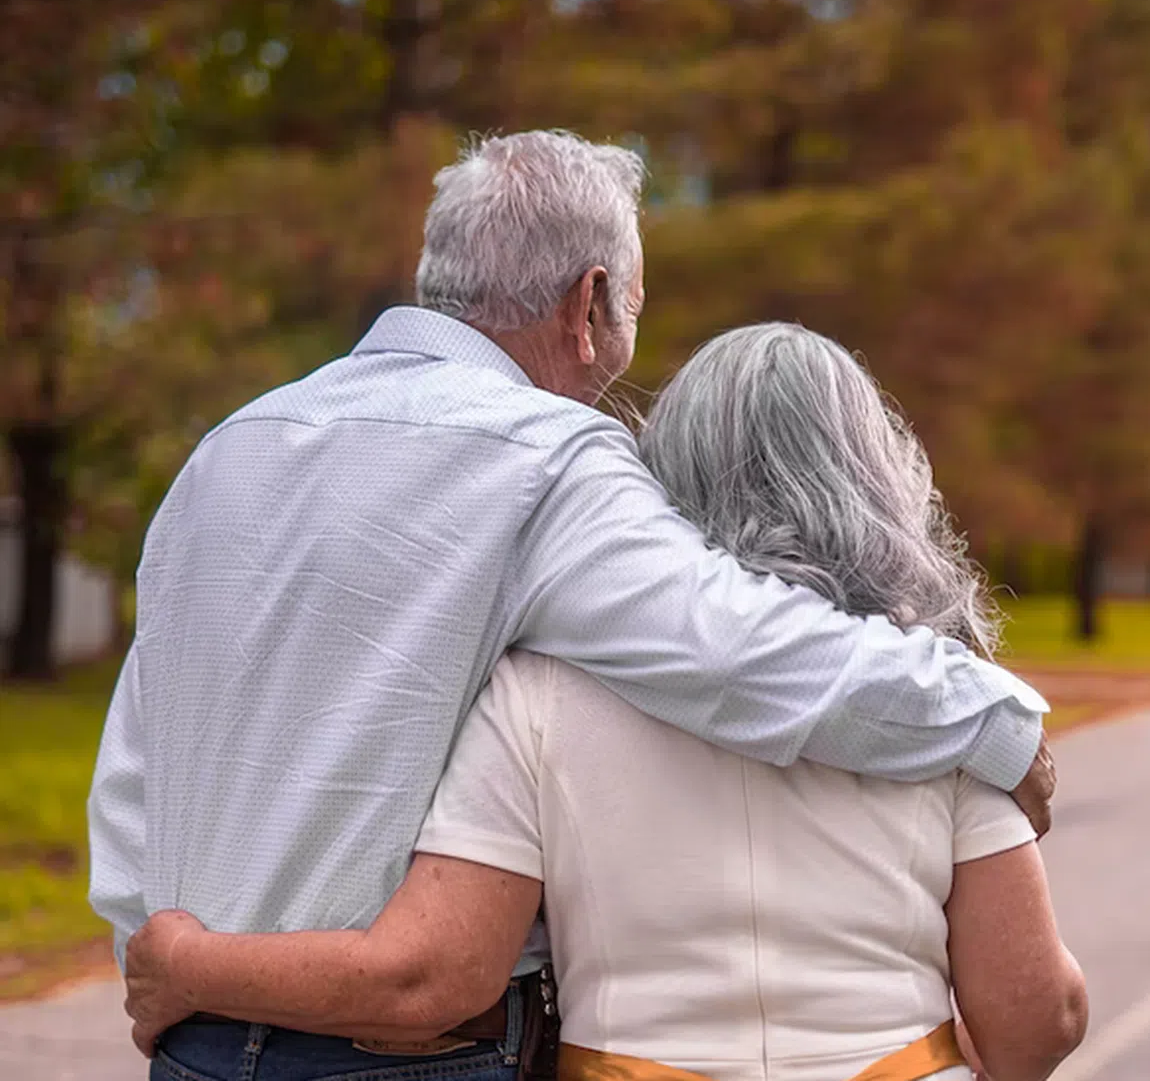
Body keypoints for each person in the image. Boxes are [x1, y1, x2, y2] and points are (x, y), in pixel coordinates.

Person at [88, 132, 1056, 1081]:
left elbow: (139, 756)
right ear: (590, 301)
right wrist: (994, 715)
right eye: (633, 307)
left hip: (198, 1038)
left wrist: (164, 963)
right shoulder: (547, 456)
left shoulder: (230, 449)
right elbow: (743, 653)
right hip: (417, 1052)